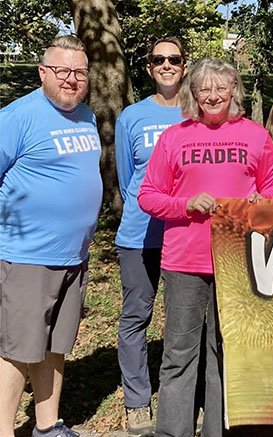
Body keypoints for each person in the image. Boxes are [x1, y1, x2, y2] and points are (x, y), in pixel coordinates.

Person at [137, 57, 273, 437]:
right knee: (178, 355)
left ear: (234, 90)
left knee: (227, 354)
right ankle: (173, 431)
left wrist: (259, 204)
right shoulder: (175, 136)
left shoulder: (256, 135)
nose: (214, 96)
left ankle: (220, 430)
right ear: (193, 93)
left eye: (222, 88)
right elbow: (149, 196)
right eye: (205, 89)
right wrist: (185, 204)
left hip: (237, 260)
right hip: (184, 260)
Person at [0, 35, 101, 437]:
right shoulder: (16, 117)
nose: (71, 80)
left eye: (79, 72)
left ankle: (47, 425)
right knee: (15, 351)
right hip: (26, 255)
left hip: (74, 255)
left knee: (54, 346)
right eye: (62, 71)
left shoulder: (87, 116)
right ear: (43, 72)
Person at [113, 36, 188, 436]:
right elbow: (128, 182)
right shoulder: (131, 117)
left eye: (173, 59)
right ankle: (137, 402)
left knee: (182, 322)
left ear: (184, 65)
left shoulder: (196, 115)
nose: (166, 65)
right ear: (148, 67)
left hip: (186, 236)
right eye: (158, 59)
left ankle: (181, 395)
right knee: (136, 317)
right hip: (139, 236)